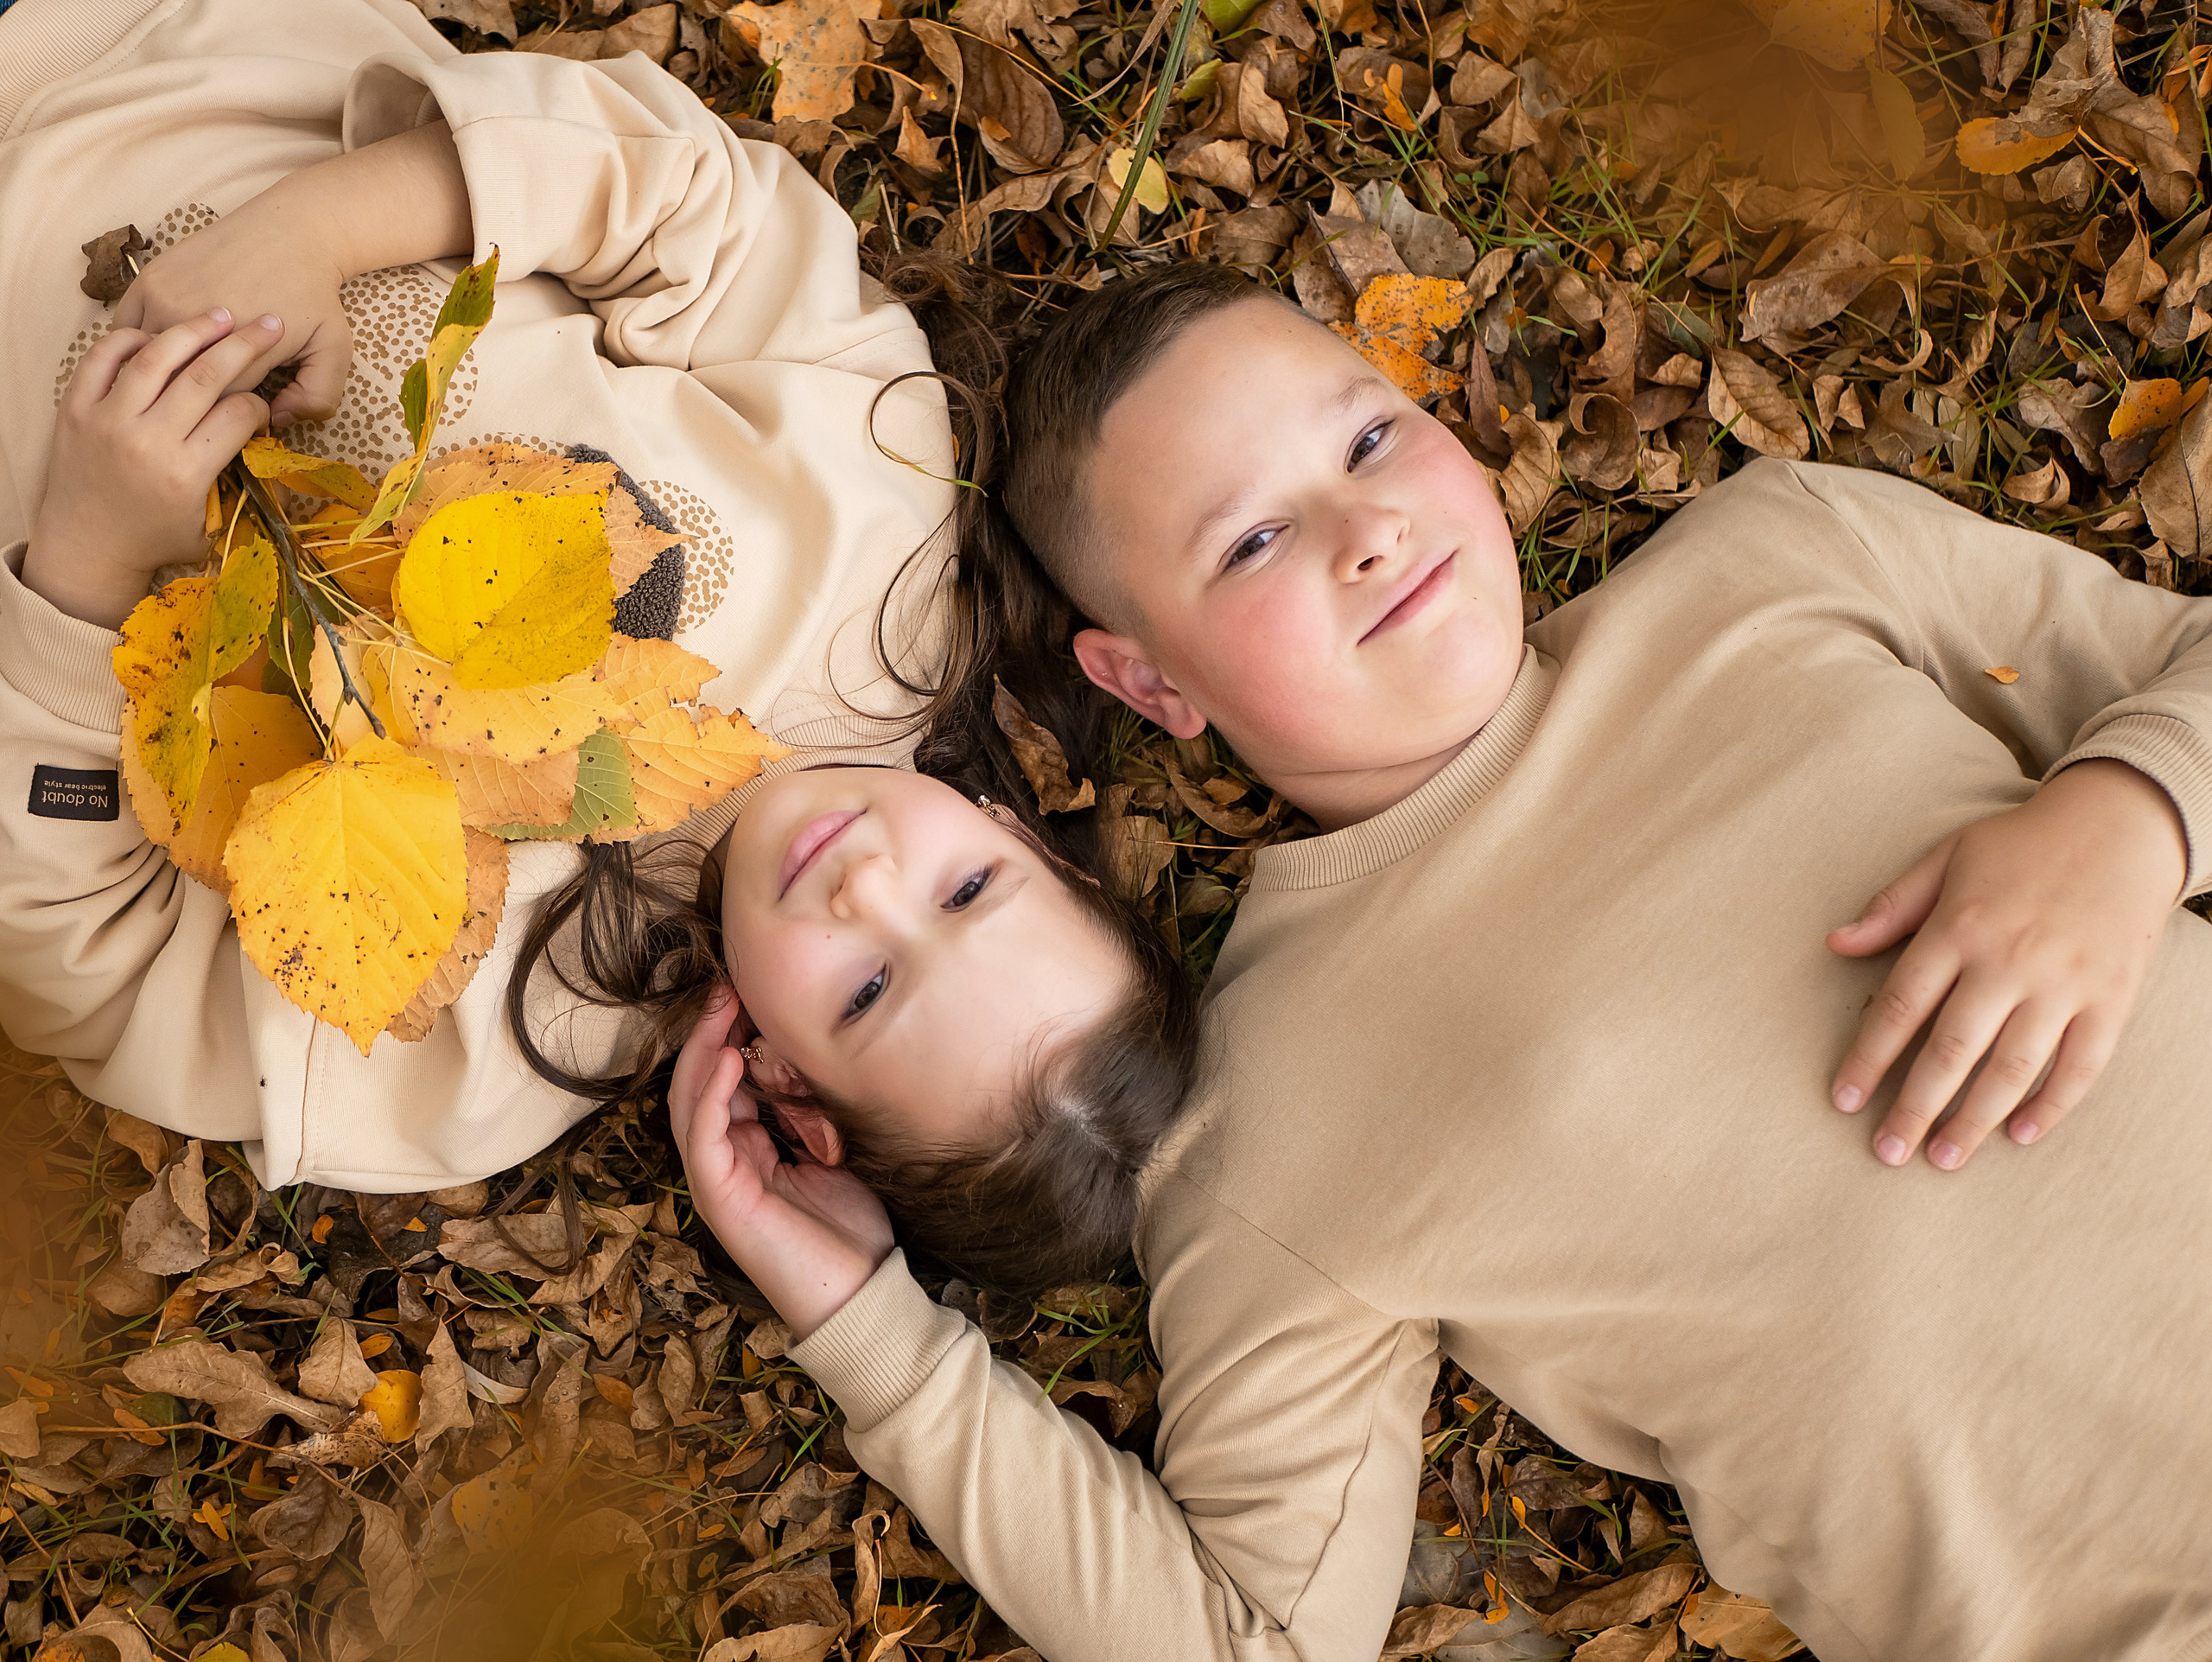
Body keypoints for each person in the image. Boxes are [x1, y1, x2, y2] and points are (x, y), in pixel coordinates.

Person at [675, 261, 2212, 1661]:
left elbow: (2170, 664)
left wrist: (2132, 812)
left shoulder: (1783, 557)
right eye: (1253, 540)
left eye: (1368, 439)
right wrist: (874, 1330)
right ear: (1149, 684)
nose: (1369, 533)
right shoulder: (1273, 1119)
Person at [0, 0, 1197, 1289]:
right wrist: (311, 231)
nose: (870, 887)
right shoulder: (882, 533)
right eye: (968, 890)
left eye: (867, 992)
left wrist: (86, 559)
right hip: (165, 56)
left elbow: (86, 962)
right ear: (1027, 839)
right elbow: (689, 203)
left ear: (795, 1095)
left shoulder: (478, 1062)